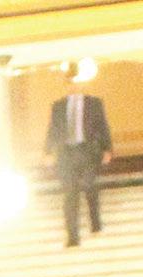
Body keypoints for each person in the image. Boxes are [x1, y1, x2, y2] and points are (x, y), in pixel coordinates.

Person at [46, 78, 113, 246]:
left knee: (89, 185)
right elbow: (52, 129)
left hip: (88, 150)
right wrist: (47, 151)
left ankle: (95, 223)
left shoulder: (94, 103)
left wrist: (107, 148)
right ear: (66, 85)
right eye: (71, 84)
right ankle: (72, 236)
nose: (74, 87)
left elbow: (103, 126)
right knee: (70, 193)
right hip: (66, 153)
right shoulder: (58, 106)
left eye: (77, 83)